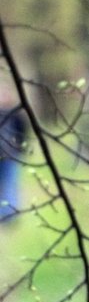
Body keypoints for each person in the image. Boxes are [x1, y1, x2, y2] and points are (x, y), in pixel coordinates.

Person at [0, 89, 26, 223]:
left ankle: (9, 215)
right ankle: (6, 214)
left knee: (9, 184)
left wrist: (20, 149)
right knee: (8, 184)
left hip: (11, 156)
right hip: (10, 155)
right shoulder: (16, 115)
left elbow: (23, 133)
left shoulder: (16, 115)